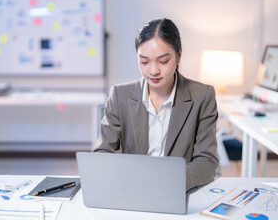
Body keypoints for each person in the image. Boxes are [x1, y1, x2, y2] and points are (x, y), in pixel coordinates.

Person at [94, 18, 219, 191]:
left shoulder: (202, 96)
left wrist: (172, 183)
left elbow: (207, 161)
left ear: (179, 55)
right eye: (144, 62)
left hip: (179, 190)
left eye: (163, 61)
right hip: (133, 190)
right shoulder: (120, 95)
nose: (153, 71)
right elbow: (102, 154)